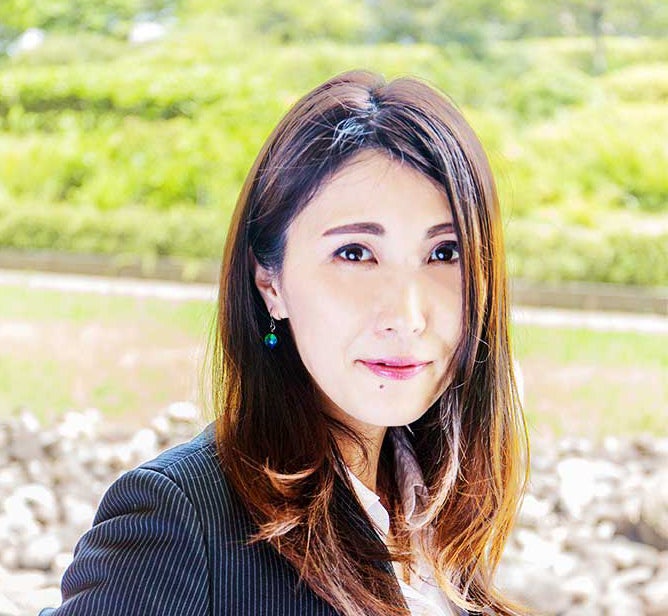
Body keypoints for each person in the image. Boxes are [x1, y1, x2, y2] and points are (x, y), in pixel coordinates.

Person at [39, 70, 529, 616]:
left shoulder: (436, 511)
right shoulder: (179, 521)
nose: (408, 317)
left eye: (444, 254)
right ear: (270, 282)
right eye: (355, 253)